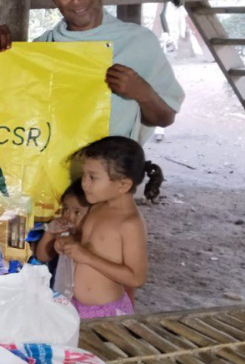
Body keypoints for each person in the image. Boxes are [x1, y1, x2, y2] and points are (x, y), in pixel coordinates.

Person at [34, 0, 185, 144]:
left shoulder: (138, 43)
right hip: (51, 170)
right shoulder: (41, 48)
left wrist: (142, 93)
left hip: (112, 172)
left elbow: (165, 118)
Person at [54, 136, 163, 319]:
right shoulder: (97, 207)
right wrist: (69, 243)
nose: (84, 183)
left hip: (106, 313)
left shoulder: (130, 223)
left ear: (123, 185)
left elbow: (136, 277)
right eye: (84, 175)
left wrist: (86, 257)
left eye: (93, 177)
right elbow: (90, 243)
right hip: (75, 306)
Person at [35, 180, 91, 298]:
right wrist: (50, 232)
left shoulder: (94, 238)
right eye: (66, 209)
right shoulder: (64, 233)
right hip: (63, 297)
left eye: (77, 212)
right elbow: (42, 256)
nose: (69, 217)